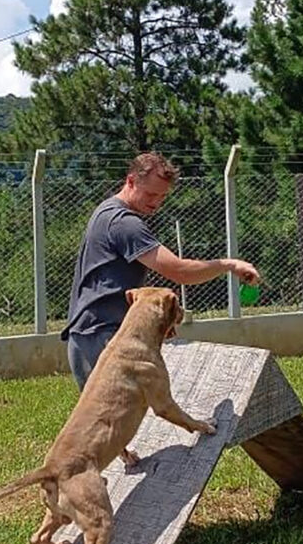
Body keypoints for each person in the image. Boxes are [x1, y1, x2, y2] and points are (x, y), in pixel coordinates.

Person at [61, 151, 261, 392]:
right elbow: (180, 271)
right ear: (131, 181)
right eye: (151, 194)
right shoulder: (124, 223)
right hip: (100, 336)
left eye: (163, 196)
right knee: (112, 424)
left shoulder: (107, 211)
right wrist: (229, 265)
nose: (156, 202)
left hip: (93, 334)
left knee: (120, 423)